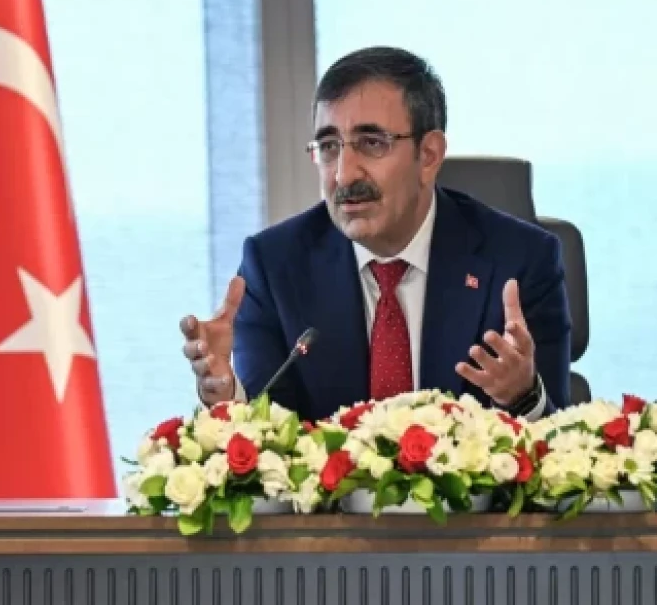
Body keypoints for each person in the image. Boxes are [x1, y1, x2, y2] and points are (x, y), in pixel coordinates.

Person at [180, 46, 571, 422]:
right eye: (329, 146)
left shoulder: (520, 260)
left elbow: (560, 448)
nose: (343, 174)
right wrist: (227, 396)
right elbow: (266, 431)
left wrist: (524, 396)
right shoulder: (274, 266)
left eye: (371, 143)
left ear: (429, 155)